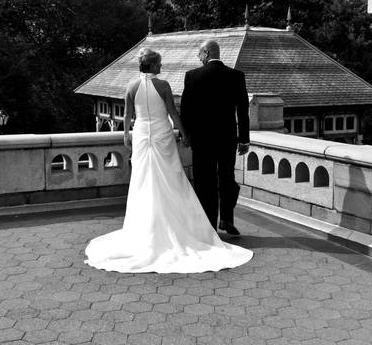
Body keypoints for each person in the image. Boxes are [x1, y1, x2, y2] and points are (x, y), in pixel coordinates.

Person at [85, 48, 252, 273]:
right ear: (153, 66)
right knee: (175, 179)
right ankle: (200, 225)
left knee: (144, 180)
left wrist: (126, 134)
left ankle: (153, 227)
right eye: (160, 64)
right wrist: (184, 133)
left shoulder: (131, 86)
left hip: (142, 135)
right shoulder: (163, 85)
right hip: (166, 135)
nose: (161, 67)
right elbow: (174, 113)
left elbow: (126, 115)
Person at [180, 39, 249, 236]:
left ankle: (209, 224)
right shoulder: (236, 76)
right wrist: (244, 139)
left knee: (205, 181)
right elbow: (243, 111)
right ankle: (226, 218)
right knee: (228, 178)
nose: (198, 57)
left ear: (207, 53)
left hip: (202, 140)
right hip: (227, 137)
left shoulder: (192, 76)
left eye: (199, 53)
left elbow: (186, 110)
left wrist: (187, 135)